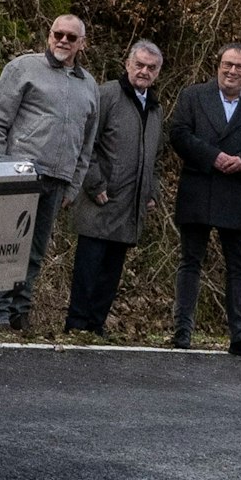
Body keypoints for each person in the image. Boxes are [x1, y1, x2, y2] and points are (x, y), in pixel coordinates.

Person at [0, 14, 99, 331]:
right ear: (49, 35)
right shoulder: (23, 68)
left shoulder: (89, 87)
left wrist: (73, 187)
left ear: (81, 44)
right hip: (20, 174)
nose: (63, 40)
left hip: (58, 180)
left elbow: (87, 144)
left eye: (71, 37)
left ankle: (21, 312)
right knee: (8, 245)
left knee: (35, 251)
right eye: (57, 33)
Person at [166, 43, 241, 359]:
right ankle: (182, 333)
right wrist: (212, 156)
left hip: (238, 191)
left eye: (239, 67)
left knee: (240, 266)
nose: (232, 71)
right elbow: (178, 133)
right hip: (199, 185)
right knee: (191, 261)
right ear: (217, 65)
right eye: (227, 64)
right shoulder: (193, 96)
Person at [65, 39, 165, 336]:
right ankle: (76, 326)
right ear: (127, 64)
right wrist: (94, 183)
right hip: (101, 200)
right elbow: (86, 143)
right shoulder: (107, 94)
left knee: (111, 271)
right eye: (140, 65)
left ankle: (95, 326)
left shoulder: (155, 108)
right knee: (88, 268)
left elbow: (155, 157)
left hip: (130, 205)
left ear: (158, 72)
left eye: (151, 67)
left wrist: (151, 191)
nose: (144, 71)